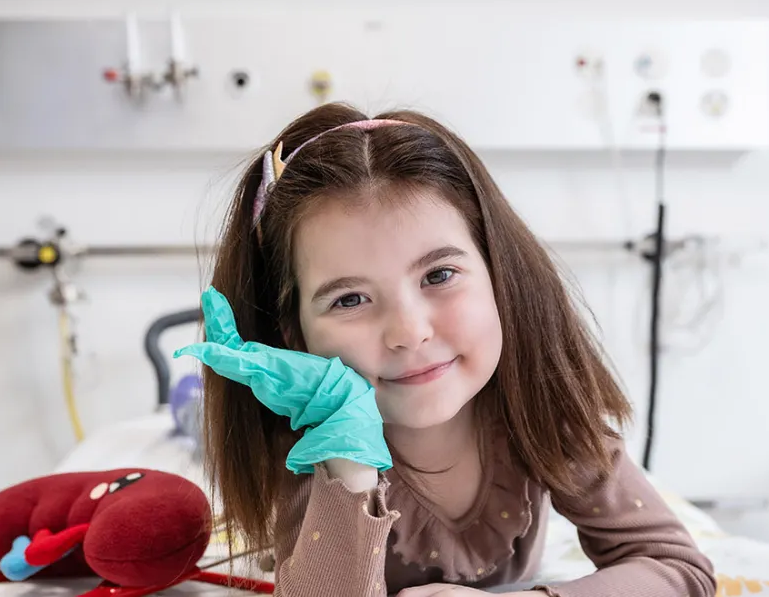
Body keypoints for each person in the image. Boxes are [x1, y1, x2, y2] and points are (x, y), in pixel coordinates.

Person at [176, 103, 715, 596]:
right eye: (350, 299)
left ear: (500, 276)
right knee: (183, 421)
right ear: (295, 336)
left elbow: (678, 568)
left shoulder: (544, 414)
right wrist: (349, 460)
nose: (409, 332)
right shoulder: (309, 453)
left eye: (439, 274)